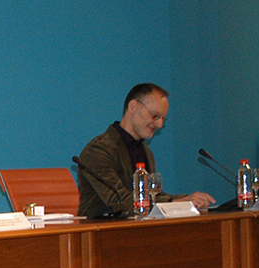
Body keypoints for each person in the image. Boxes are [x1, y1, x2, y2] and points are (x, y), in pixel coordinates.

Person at [76, 83, 215, 218]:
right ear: (133, 107)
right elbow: (118, 199)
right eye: (155, 116)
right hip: (100, 232)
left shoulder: (145, 151)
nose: (160, 125)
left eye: (163, 119)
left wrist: (187, 200)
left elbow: (154, 196)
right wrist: (173, 203)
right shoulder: (99, 150)